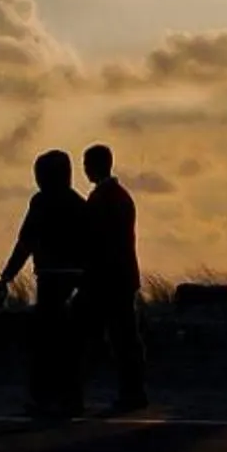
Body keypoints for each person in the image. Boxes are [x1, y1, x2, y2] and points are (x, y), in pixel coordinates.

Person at [0, 149, 91, 419]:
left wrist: (7, 276)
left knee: (45, 342)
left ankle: (45, 398)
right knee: (69, 343)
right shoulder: (80, 204)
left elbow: (25, 243)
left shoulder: (41, 203)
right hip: (78, 279)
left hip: (52, 278)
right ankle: (71, 398)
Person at [80, 143, 149, 414]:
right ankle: (133, 391)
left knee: (113, 339)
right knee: (125, 338)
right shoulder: (120, 196)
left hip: (108, 278)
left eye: (87, 164)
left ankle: (128, 392)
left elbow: (95, 241)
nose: (85, 170)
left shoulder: (103, 198)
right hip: (121, 276)